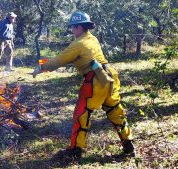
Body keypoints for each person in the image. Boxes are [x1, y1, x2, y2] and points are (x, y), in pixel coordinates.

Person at [32, 11, 134, 161]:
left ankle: (75, 150)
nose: (72, 30)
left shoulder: (78, 43)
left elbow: (60, 59)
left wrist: (40, 68)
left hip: (95, 81)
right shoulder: (92, 38)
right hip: (110, 77)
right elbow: (72, 57)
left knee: (81, 114)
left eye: (73, 27)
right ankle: (129, 145)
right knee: (115, 111)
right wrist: (45, 63)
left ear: (80, 27)